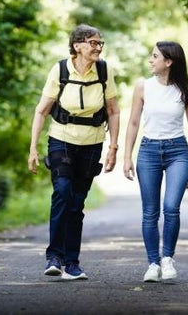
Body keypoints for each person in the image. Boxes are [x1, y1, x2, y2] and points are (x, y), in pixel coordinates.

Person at [28, 23, 120, 280]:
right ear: (77, 45)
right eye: (93, 43)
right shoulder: (60, 70)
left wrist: (113, 147)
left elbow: (113, 111)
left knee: (77, 202)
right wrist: (33, 147)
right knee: (62, 192)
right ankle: (54, 257)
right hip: (61, 139)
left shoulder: (104, 71)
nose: (97, 47)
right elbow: (41, 110)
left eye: (100, 43)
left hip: (92, 143)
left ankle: (72, 262)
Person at [122, 41, 188, 282]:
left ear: (169, 61)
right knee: (150, 212)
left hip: (178, 153)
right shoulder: (143, 87)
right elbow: (132, 123)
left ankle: (167, 259)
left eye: (155, 57)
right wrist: (126, 156)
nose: (150, 60)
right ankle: (152, 263)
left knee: (171, 207)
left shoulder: (187, 90)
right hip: (148, 151)